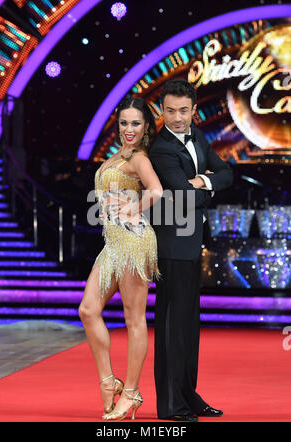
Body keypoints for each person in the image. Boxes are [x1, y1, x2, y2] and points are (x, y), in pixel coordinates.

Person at [149, 78, 233, 421]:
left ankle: (188, 395)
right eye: (170, 111)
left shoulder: (198, 136)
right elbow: (182, 197)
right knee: (171, 326)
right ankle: (170, 405)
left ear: (194, 110)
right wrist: (204, 187)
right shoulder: (161, 149)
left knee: (188, 326)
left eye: (184, 111)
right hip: (170, 244)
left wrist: (204, 181)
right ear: (162, 110)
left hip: (190, 243)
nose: (177, 118)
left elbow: (227, 172)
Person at [78, 97, 163, 421]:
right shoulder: (118, 154)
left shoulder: (140, 158)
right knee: (88, 309)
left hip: (134, 242)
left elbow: (156, 191)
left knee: (134, 319)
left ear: (145, 127)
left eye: (136, 124)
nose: (129, 129)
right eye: (124, 123)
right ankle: (107, 381)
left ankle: (131, 392)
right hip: (111, 243)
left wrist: (134, 208)